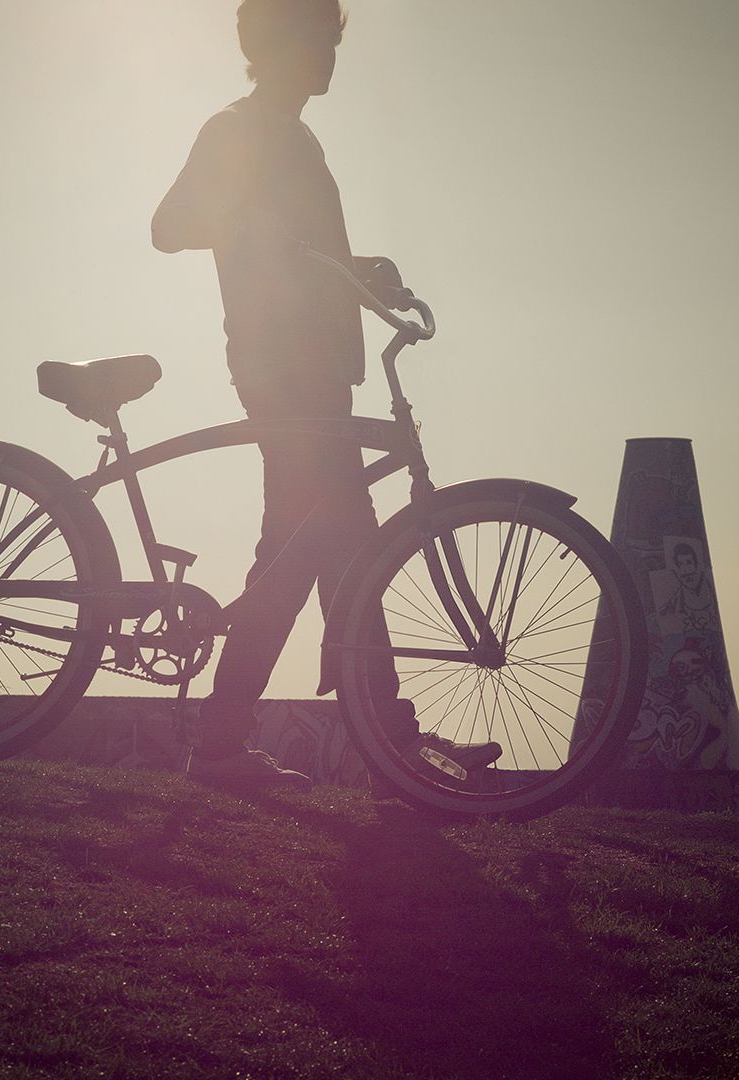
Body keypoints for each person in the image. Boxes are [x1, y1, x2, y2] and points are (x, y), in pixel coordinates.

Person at [152, 0, 501, 791]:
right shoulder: (238, 128)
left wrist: (362, 269)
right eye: (316, 39)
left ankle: (267, 743)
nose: (330, 54)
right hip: (284, 370)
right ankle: (375, 744)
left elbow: (306, 254)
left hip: (317, 370)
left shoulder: (297, 138)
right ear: (277, 46)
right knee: (335, 544)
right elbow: (170, 225)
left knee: (317, 547)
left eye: (332, 40)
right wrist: (250, 224)